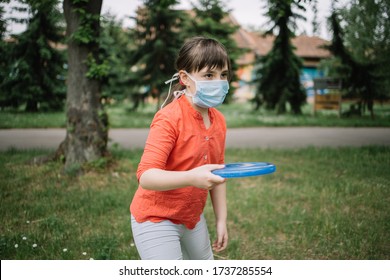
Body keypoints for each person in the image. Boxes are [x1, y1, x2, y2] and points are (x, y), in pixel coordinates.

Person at [130, 36, 231, 260]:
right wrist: (191, 177)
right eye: (208, 75)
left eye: (223, 75)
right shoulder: (168, 118)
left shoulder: (219, 121)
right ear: (185, 77)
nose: (218, 82)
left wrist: (221, 220)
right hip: (155, 217)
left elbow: (217, 173)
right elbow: (146, 176)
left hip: (191, 217)